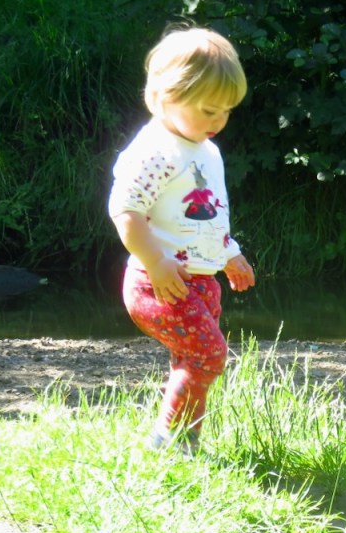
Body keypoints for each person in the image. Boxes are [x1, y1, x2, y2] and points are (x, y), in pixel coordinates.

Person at [108, 26, 256, 455]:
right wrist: (154, 261)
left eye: (226, 111)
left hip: (201, 280)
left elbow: (205, 216)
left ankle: (186, 444)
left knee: (192, 364)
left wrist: (230, 253)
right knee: (210, 355)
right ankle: (164, 441)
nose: (219, 121)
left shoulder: (206, 151)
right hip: (161, 280)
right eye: (209, 110)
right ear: (166, 97)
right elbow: (126, 212)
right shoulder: (156, 149)